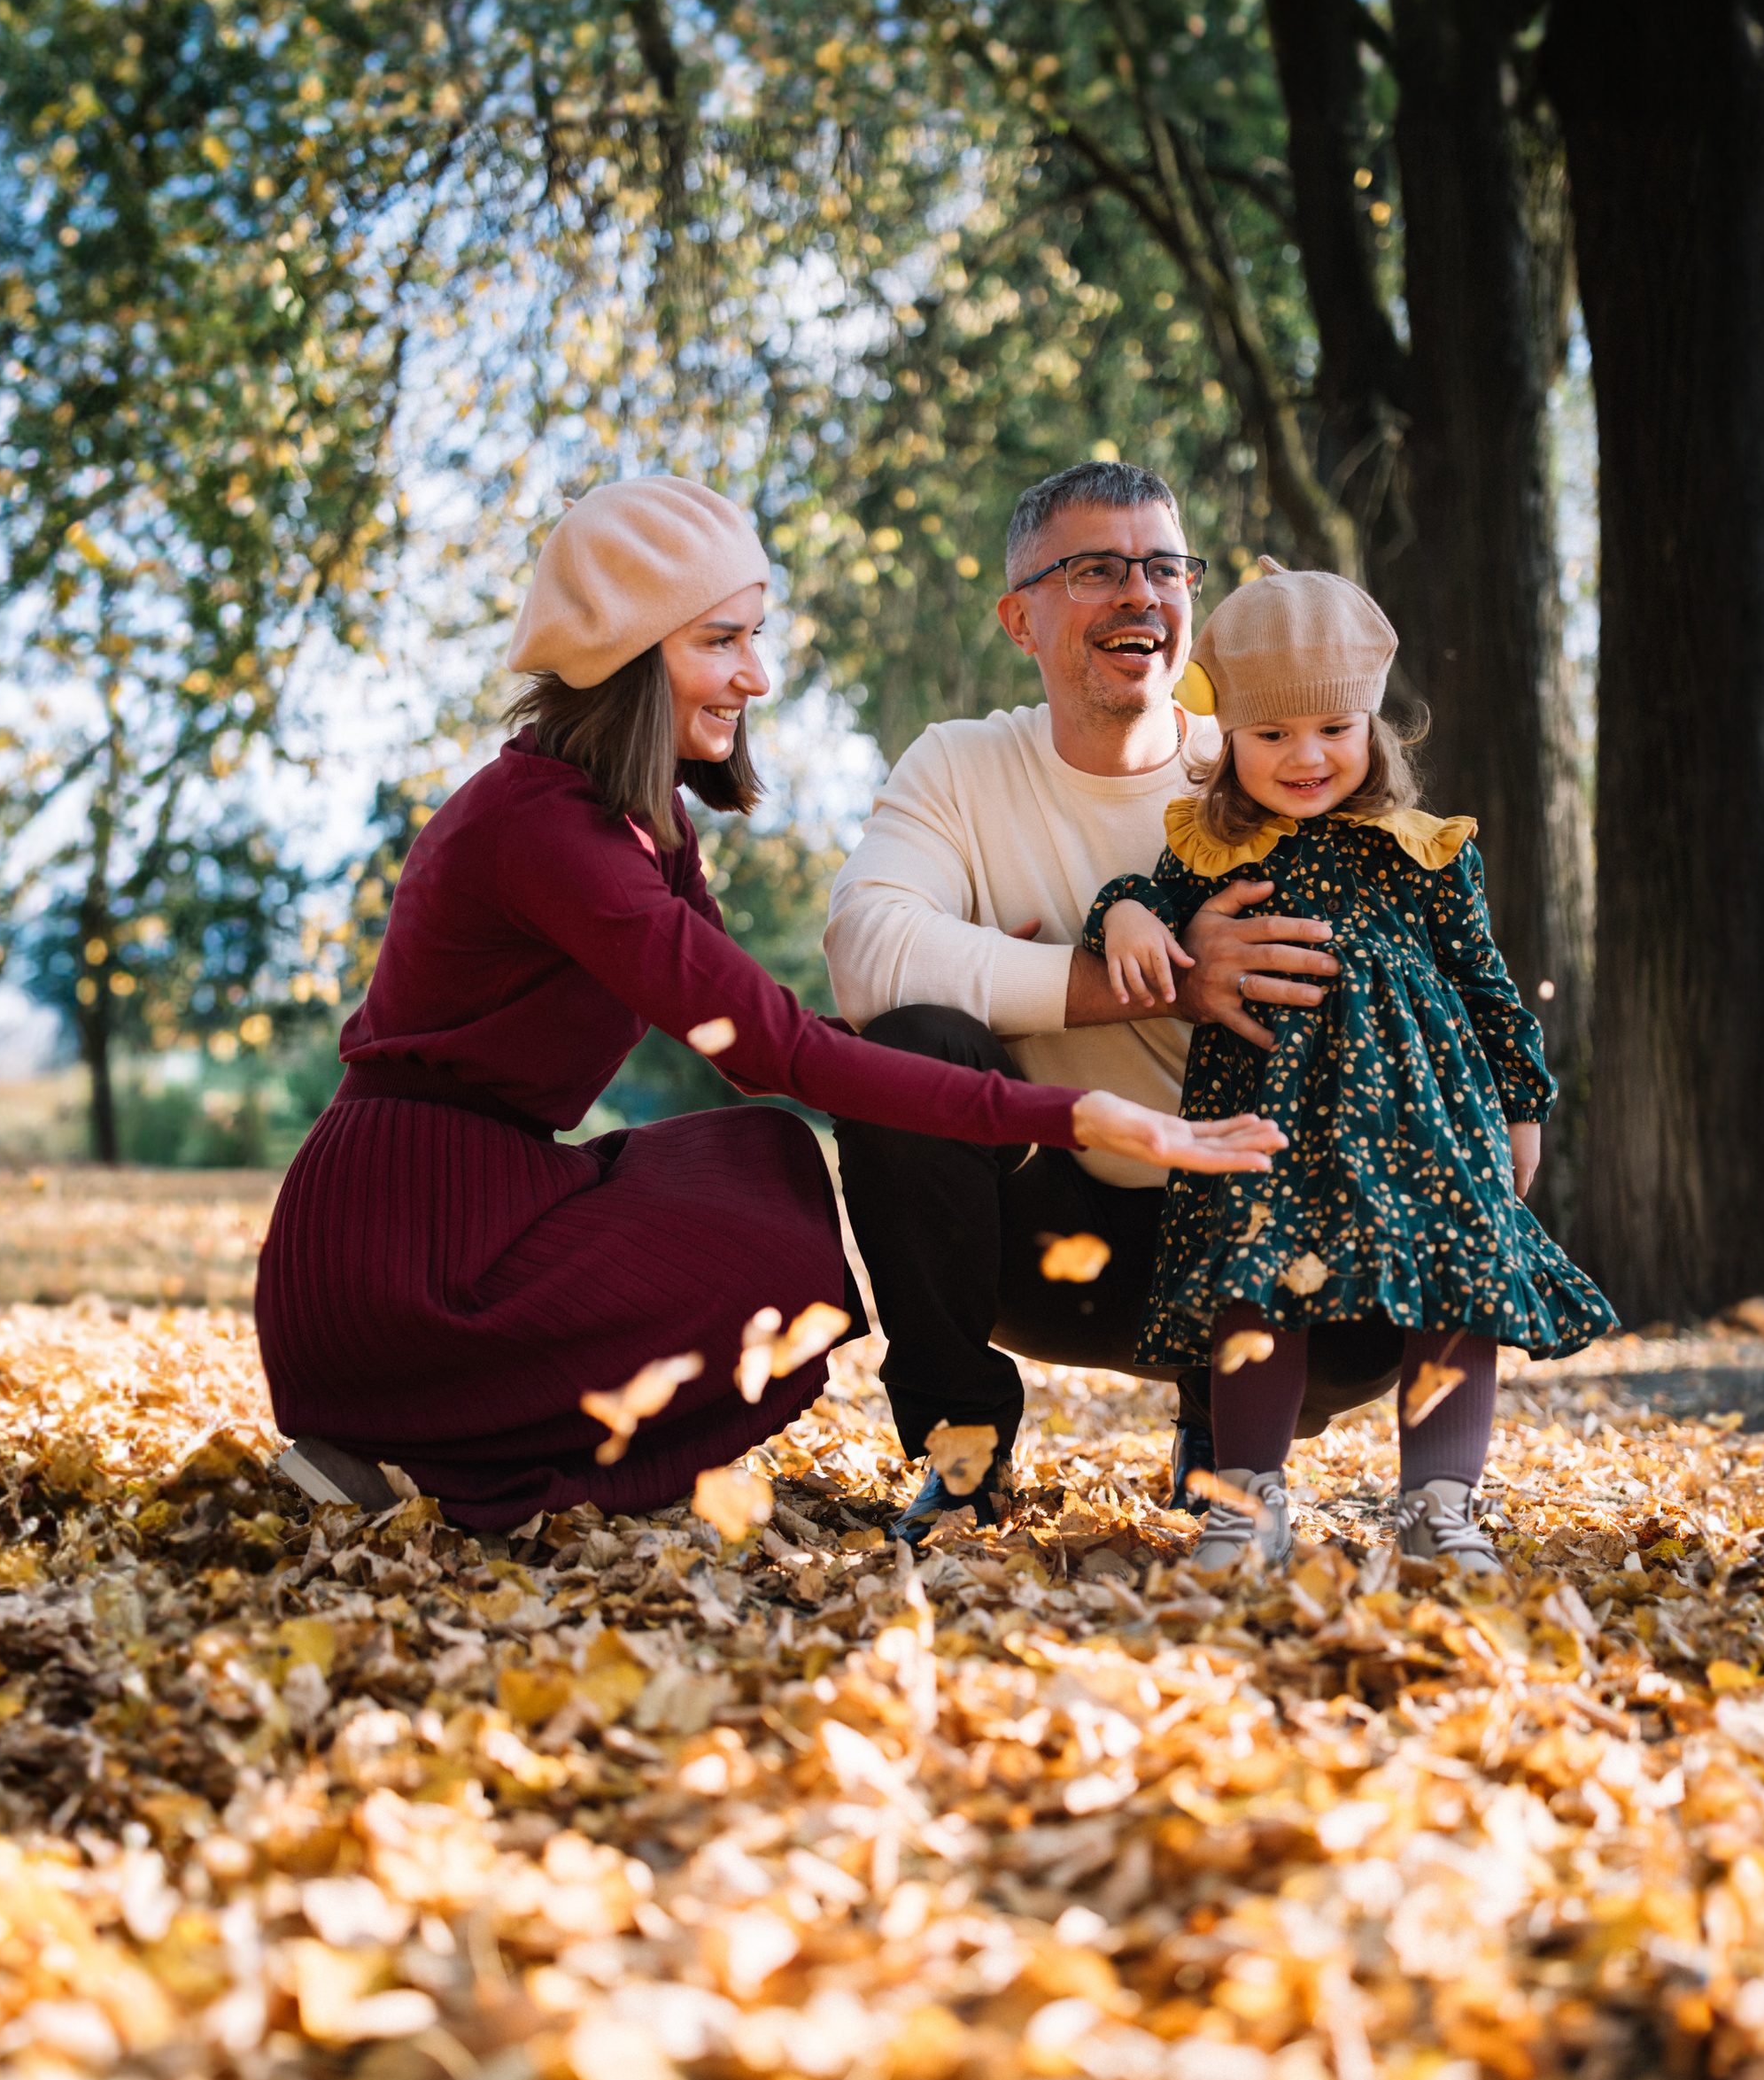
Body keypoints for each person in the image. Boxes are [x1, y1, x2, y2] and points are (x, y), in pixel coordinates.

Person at [257, 476, 1280, 1530]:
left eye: (754, 636)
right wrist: (1066, 1111)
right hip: (400, 1239)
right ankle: (429, 1455)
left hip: (497, 1189)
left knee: (761, 1164)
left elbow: (751, 1050)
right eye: (720, 642)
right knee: (776, 1238)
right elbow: (783, 1053)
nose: (757, 674)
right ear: (628, 651)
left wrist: (969, 1019)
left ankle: (448, 1454)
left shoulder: (640, 821)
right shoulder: (548, 831)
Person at [824, 458, 1406, 1537]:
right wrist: (1129, 984)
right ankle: (963, 1456)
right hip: (1049, 1241)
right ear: (1019, 617)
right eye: (1095, 569)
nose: (1140, 594)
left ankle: (1228, 1435)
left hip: (1254, 1242)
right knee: (908, 1047)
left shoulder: (1275, 764)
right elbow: (866, 953)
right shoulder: (959, 768)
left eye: (1164, 566)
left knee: (1380, 1299)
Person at [1086, 559, 1614, 1574]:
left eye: (1332, 728)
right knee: (1257, 1285)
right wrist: (1122, 914)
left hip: (1429, 1114)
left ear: (1373, 727)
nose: (1305, 756)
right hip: (1270, 1117)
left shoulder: (1422, 849)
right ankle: (1247, 1503)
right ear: (1227, 740)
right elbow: (1138, 895)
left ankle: (1439, 1506)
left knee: (1457, 1287)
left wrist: (1521, 1103)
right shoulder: (1207, 851)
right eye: (1271, 735)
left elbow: (1483, 979)